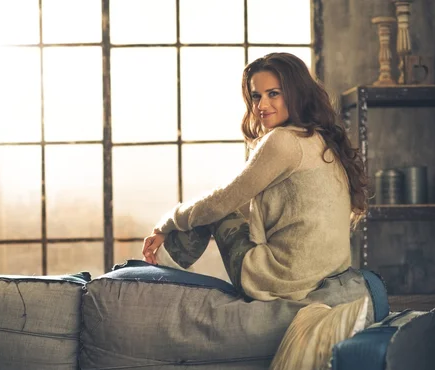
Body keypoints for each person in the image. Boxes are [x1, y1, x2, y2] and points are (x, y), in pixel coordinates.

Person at [141, 52, 368, 302]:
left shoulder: (284, 141)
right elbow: (246, 204)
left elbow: (220, 203)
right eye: (256, 96)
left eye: (274, 94)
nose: (261, 106)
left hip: (283, 280)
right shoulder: (318, 138)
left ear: (296, 93)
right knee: (213, 209)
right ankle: (164, 267)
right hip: (321, 277)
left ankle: (160, 270)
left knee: (214, 210)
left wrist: (166, 224)